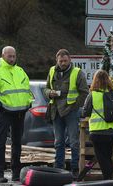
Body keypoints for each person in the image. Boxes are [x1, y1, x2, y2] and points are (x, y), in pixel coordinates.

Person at [0, 46, 33, 183]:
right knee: (0, 141)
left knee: (17, 143)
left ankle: (16, 174)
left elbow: (27, 90)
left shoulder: (20, 71)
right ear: (3, 55)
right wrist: (0, 107)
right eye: (9, 56)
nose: (12, 59)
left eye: (13, 56)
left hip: (20, 113)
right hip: (5, 112)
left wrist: (29, 103)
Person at [44, 49, 89, 178]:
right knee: (58, 142)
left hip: (71, 112)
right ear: (57, 60)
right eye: (60, 61)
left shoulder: (77, 73)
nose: (63, 63)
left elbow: (84, 92)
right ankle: (59, 169)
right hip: (56, 111)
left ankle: (74, 169)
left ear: (70, 60)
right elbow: (46, 88)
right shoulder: (52, 70)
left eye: (65, 60)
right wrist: (49, 93)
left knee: (74, 142)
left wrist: (74, 106)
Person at [82, 70, 113, 179]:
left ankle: (107, 180)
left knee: (102, 158)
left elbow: (85, 112)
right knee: (107, 156)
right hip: (112, 131)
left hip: (97, 132)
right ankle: (109, 179)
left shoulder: (93, 94)